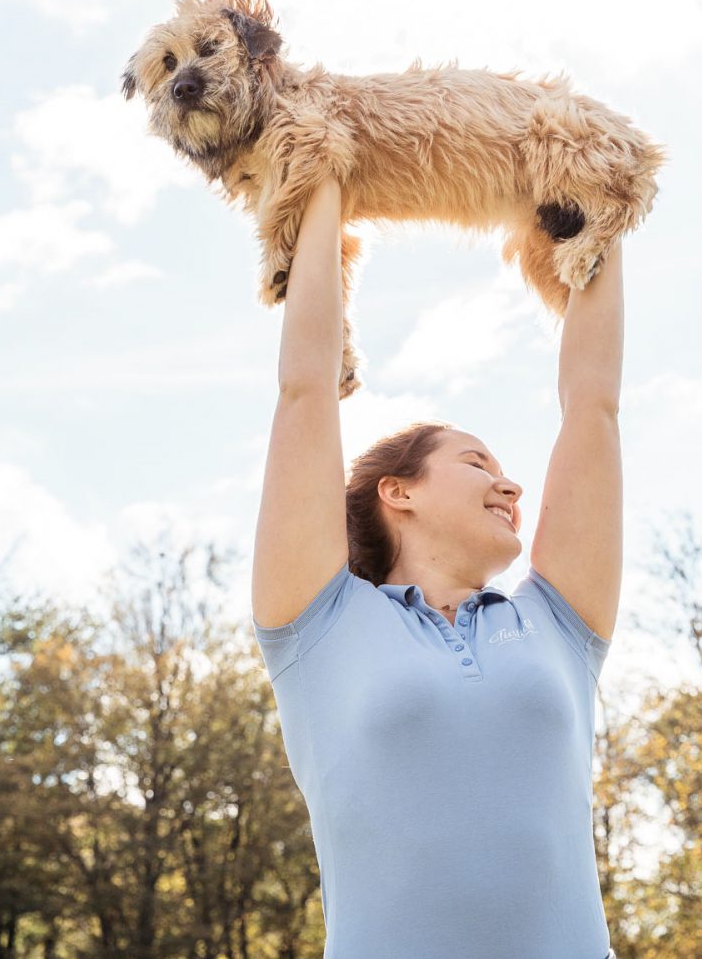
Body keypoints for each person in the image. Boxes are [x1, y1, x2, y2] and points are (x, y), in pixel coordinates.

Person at [252, 174, 624, 959]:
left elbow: (593, 403)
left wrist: (605, 207)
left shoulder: (556, 622)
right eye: (476, 461)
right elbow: (304, 390)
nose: (510, 483)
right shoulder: (319, 623)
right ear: (398, 491)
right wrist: (322, 180)